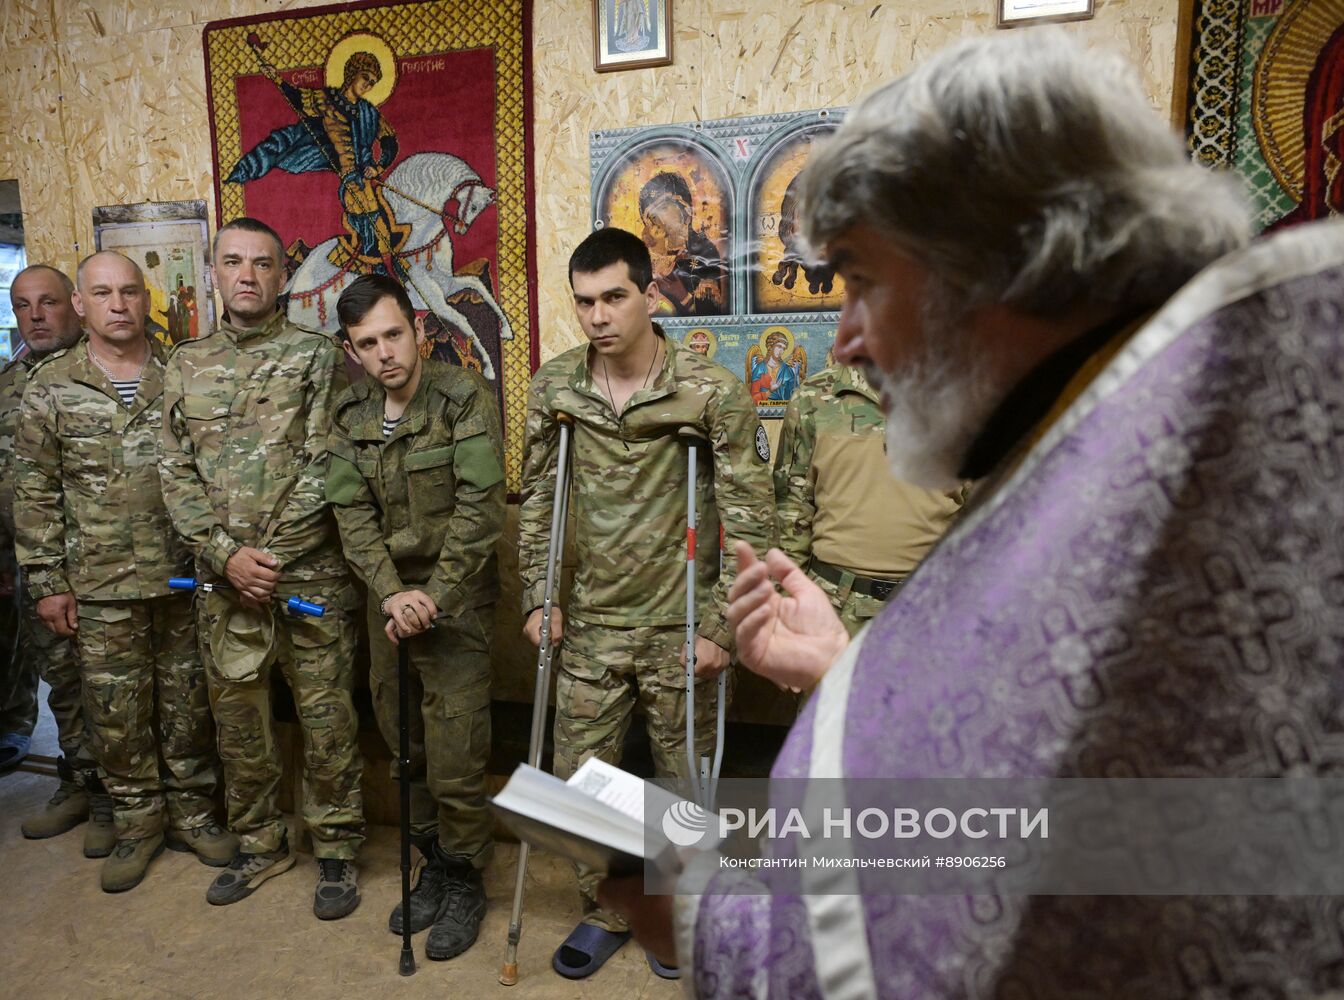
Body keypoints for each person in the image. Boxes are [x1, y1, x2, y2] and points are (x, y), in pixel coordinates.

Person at [599, 30, 1344, 996]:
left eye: (862, 281)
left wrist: (701, 913)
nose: (845, 345)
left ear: (1005, 260)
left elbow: (952, 933)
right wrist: (853, 666)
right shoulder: (1128, 423)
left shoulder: (1203, 451)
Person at [517, 227, 775, 978]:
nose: (598, 316)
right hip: (591, 623)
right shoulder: (557, 385)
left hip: (682, 622)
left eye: (614, 297)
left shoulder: (710, 391)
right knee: (581, 777)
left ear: (648, 294)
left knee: (681, 785)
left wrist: (726, 622)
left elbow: (752, 515)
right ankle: (607, 910)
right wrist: (538, 598)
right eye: (585, 302)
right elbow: (537, 498)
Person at [160, 217, 365, 919]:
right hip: (224, 584)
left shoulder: (315, 357)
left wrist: (268, 558)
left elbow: (329, 462)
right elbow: (174, 474)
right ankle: (261, 842)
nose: (246, 275)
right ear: (212, 272)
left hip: (307, 577)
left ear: (283, 276)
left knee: (326, 715)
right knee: (240, 722)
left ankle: (335, 845)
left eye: (262, 264)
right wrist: (226, 557)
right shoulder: (182, 364)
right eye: (232, 262)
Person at [12, 252, 230, 892]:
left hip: (183, 578)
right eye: (102, 293)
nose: (117, 304)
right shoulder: (50, 385)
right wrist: (48, 581)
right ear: (81, 304)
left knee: (189, 706)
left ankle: (192, 813)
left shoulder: (184, 371)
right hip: (99, 586)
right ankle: (137, 824)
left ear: (145, 299)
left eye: (129, 291)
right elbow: (34, 491)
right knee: (118, 715)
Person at [326, 274, 505, 960]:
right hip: (388, 605)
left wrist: (433, 595)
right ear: (353, 349)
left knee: (457, 757)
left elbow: (482, 507)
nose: (384, 354)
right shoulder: (349, 416)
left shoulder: (463, 398)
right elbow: (351, 516)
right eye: (367, 343)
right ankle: (433, 861)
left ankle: (465, 879)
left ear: (420, 330)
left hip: (454, 608)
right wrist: (391, 592)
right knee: (407, 750)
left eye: (393, 334)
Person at [0, 265, 112, 855]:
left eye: (47, 302)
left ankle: (126, 798)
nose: (35, 315)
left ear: (73, 305)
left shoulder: (107, 367)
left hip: (105, 564)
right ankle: (83, 783)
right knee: (63, 687)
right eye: (22, 306)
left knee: (116, 688)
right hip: (35, 568)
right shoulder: (6, 384)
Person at [774, 363, 965, 639]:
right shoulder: (814, 398)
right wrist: (790, 613)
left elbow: (990, 515)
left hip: (934, 608)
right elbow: (791, 512)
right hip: (834, 611)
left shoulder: (966, 397)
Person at [227, 51, 405, 277]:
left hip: (366, 171)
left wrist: (379, 166)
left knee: (383, 208)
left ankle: (391, 260)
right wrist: (276, 79)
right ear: (352, 73)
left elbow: (390, 141)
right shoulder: (326, 100)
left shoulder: (369, 112)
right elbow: (299, 99)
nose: (368, 85)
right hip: (348, 172)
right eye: (365, 77)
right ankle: (374, 262)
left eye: (372, 82)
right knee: (361, 201)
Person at [638, 172, 728, 316]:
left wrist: (682, 295)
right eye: (652, 216)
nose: (659, 219)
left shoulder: (704, 252)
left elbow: (710, 316)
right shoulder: (652, 256)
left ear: (684, 207)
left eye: (663, 208)